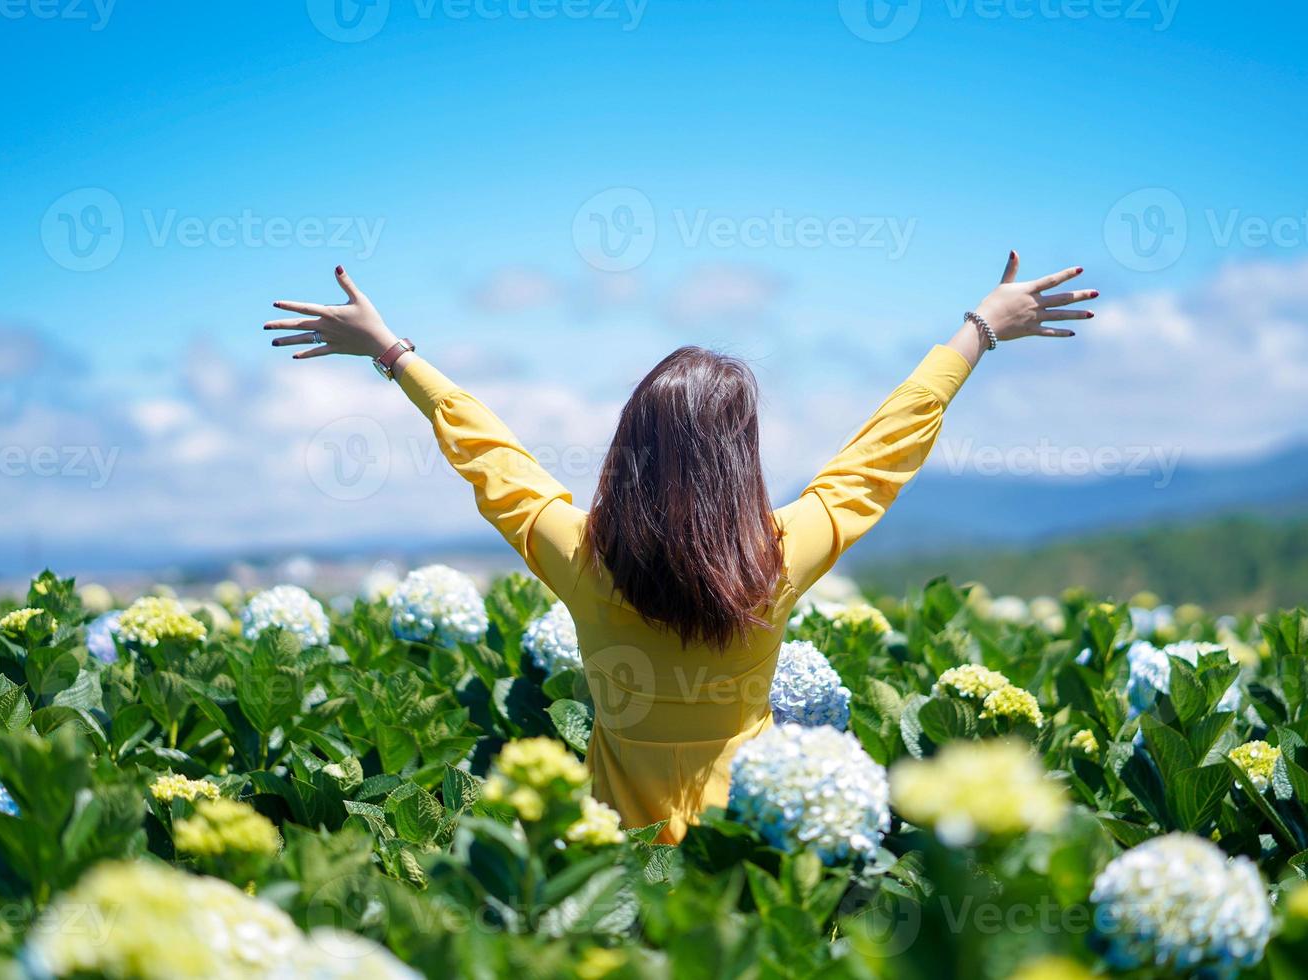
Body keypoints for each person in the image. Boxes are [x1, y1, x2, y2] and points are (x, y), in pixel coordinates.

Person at [265, 253, 1096, 843]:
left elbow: (492, 458)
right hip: (752, 849)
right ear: (741, 455)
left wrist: (393, 353)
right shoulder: (777, 555)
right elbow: (878, 458)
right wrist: (978, 331)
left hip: (614, 866)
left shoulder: (585, 557)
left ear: (630, 445)